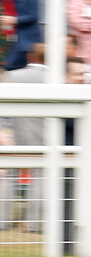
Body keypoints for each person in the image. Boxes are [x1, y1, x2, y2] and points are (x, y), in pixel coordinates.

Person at [2, 44, 47, 233]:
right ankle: (32, 223)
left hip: (17, 133)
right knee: (40, 176)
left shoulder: (12, 76)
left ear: (31, 57)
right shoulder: (56, 78)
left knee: (10, 177)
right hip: (43, 136)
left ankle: (2, 220)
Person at [3, 0, 41, 71]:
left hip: (27, 40)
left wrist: (14, 20)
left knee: (10, 66)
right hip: (22, 39)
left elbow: (33, 15)